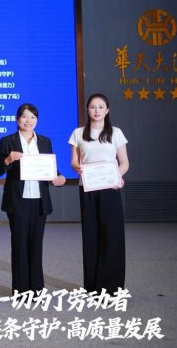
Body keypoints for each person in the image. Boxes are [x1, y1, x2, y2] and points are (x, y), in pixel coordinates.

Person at [0, 103, 66, 294]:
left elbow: (49, 168)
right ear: (17, 119)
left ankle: (37, 289)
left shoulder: (44, 141)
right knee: (19, 244)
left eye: (33, 117)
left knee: (36, 244)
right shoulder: (7, 141)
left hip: (39, 200)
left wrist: (60, 177)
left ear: (37, 120)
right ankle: (21, 290)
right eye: (24, 116)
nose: (28, 121)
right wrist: (8, 159)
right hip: (18, 200)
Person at [69, 93, 129, 295]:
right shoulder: (78, 133)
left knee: (112, 236)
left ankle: (111, 287)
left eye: (101, 107)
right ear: (87, 110)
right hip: (87, 188)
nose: (96, 111)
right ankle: (92, 287)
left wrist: (117, 176)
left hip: (110, 189)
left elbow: (124, 162)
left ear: (107, 110)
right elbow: (74, 161)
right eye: (93, 107)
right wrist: (77, 167)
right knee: (91, 235)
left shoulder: (116, 133)